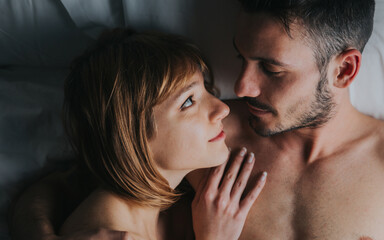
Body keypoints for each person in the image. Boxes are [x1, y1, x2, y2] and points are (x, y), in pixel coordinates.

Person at [10, 0, 384, 239]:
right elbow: (61, 189)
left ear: (344, 70)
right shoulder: (211, 137)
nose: (241, 86)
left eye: (271, 69)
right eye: (241, 58)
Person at [10, 28, 267, 240]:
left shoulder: (146, 207)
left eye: (207, 89)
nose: (222, 108)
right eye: (188, 102)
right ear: (132, 135)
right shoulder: (111, 234)